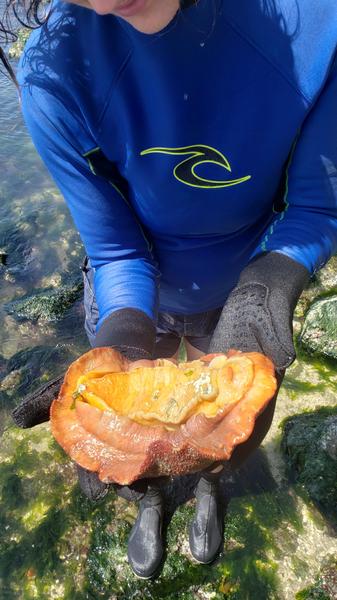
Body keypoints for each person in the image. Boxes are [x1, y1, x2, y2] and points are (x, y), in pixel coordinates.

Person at [2, 0, 337, 579]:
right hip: (129, 294)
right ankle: (151, 502)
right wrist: (121, 335)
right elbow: (115, 250)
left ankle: (212, 490)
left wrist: (266, 288)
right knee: (133, 440)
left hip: (238, 289)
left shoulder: (319, 26)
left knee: (223, 430)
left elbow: (315, 205)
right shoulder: (53, 74)